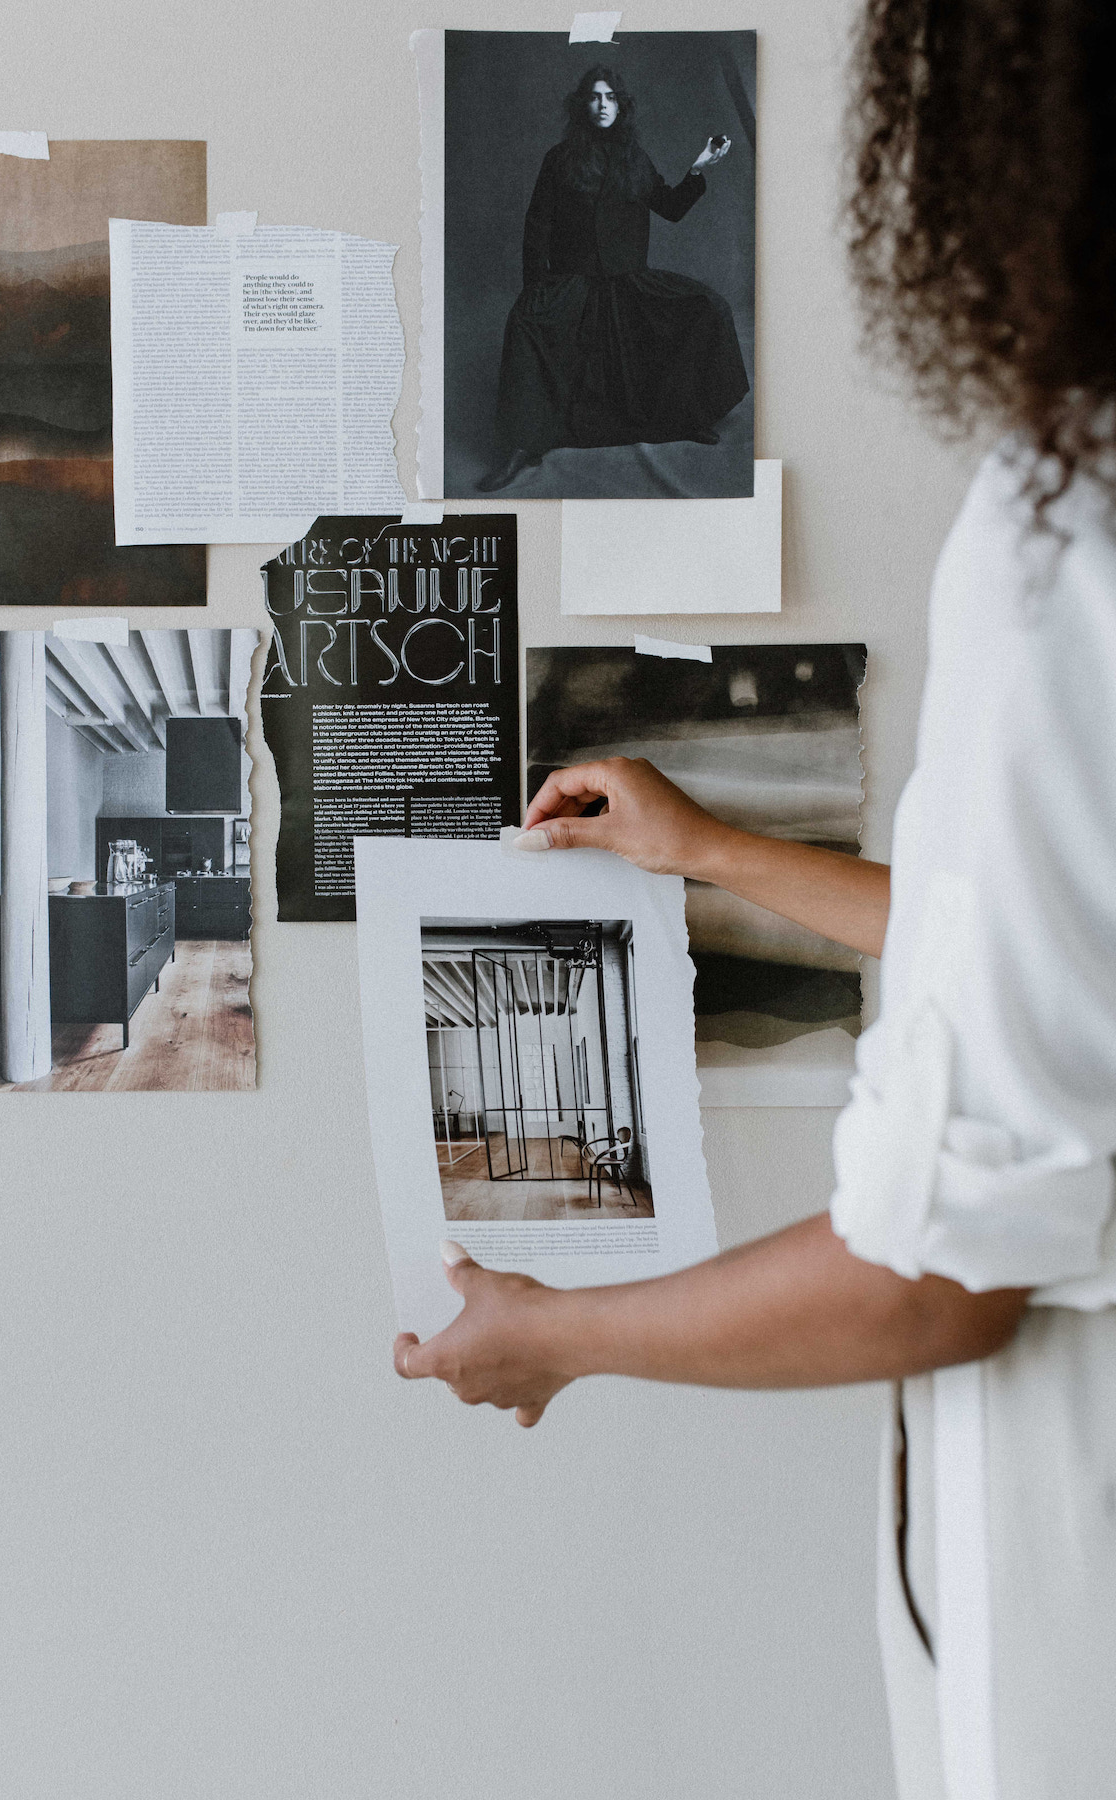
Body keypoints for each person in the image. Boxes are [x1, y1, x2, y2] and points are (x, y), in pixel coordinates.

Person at [399, 3, 1116, 1795]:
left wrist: (552, 1335)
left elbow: (937, 1277)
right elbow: (1034, 966)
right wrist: (712, 850)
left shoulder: (1068, 535)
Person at [476, 66, 749, 493]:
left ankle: (685, 416)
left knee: (708, 308)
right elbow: (537, 227)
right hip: (573, 283)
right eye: (594, 97)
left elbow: (671, 208)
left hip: (629, 284)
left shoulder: (635, 159)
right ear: (582, 105)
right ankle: (520, 446)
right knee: (524, 325)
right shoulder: (559, 159)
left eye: (610, 98)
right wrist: (535, 287)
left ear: (621, 106)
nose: (602, 105)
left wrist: (698, 170)